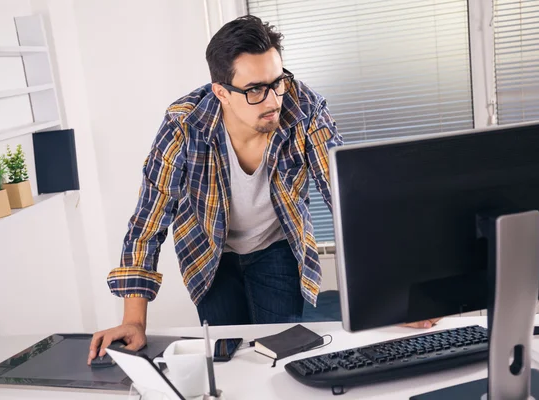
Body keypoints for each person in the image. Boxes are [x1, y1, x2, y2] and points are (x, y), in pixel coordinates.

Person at [88, 15, 437, 365]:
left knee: (280, 356)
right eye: (255, 89)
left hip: (276, 247)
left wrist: (397, 296)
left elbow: (351, 202)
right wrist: (133, 321)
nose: (273, 100)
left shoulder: (305, 109)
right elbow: (147, 221)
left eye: (278, 82)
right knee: (226, 360)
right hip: (210, 253)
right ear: (221, 92)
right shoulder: (184, 124)